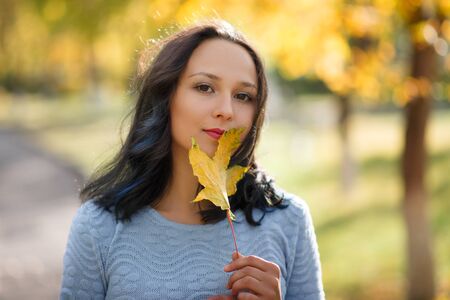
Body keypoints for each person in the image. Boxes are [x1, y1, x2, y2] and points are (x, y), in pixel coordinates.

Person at [60, 19, 325, 300]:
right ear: (166, 96)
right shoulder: (99, 227)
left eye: (243, 96)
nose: (226, 110)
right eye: (204, 87)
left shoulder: (288, 220)